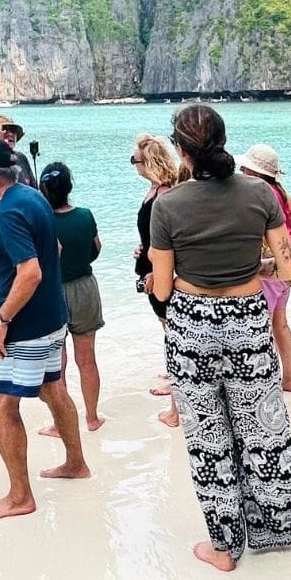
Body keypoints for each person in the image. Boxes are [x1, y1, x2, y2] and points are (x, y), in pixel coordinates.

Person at [149, 104, 291, 570]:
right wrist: (256, 267)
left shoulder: (167, 205)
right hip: (248, 321)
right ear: (224, 138)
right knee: (266, 427)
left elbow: (160, 286)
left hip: (191, 326)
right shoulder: (261, 194)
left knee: (207, 435)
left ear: (180, 149)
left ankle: (224, 546)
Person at [0, 136, 90, 518]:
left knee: (1, 405)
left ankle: (19, 496)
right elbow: (54, 254)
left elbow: (29, 272)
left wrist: (2, 321)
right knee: (53, 389)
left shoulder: (8, 212)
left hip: (27, 326)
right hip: (53, 317)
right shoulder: (32, 197)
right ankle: (76, 463)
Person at [40, 161, 106, 434]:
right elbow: (96, 248)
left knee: (59, 363)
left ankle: (61, 423)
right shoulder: (85, 215)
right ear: (69, 188)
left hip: (54, 291)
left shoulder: (43, 220)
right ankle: (91, 417)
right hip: (85, 288)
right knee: (87, 359)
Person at [237, 144, 291, 393]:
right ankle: (289, 378)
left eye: (245, 168)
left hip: (267, 270)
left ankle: (264, 381)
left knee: (261, 327)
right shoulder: (279, 191)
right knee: (280, 324)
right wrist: (285, 230)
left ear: (253, 172)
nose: (241, 171)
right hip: (284, 268)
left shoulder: (260, 194)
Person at [131, 132, 184, 426]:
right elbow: (154, 235)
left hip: (159, 274)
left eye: (134, 160)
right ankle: (174, 384)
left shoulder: (165, 194)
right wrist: (143, 246)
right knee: (169, 332)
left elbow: (173, 242)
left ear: (148, 162)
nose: (133, 166)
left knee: (173, 335)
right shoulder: (154, 191)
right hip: (150, 268)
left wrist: (159, 271)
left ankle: (176, 410)